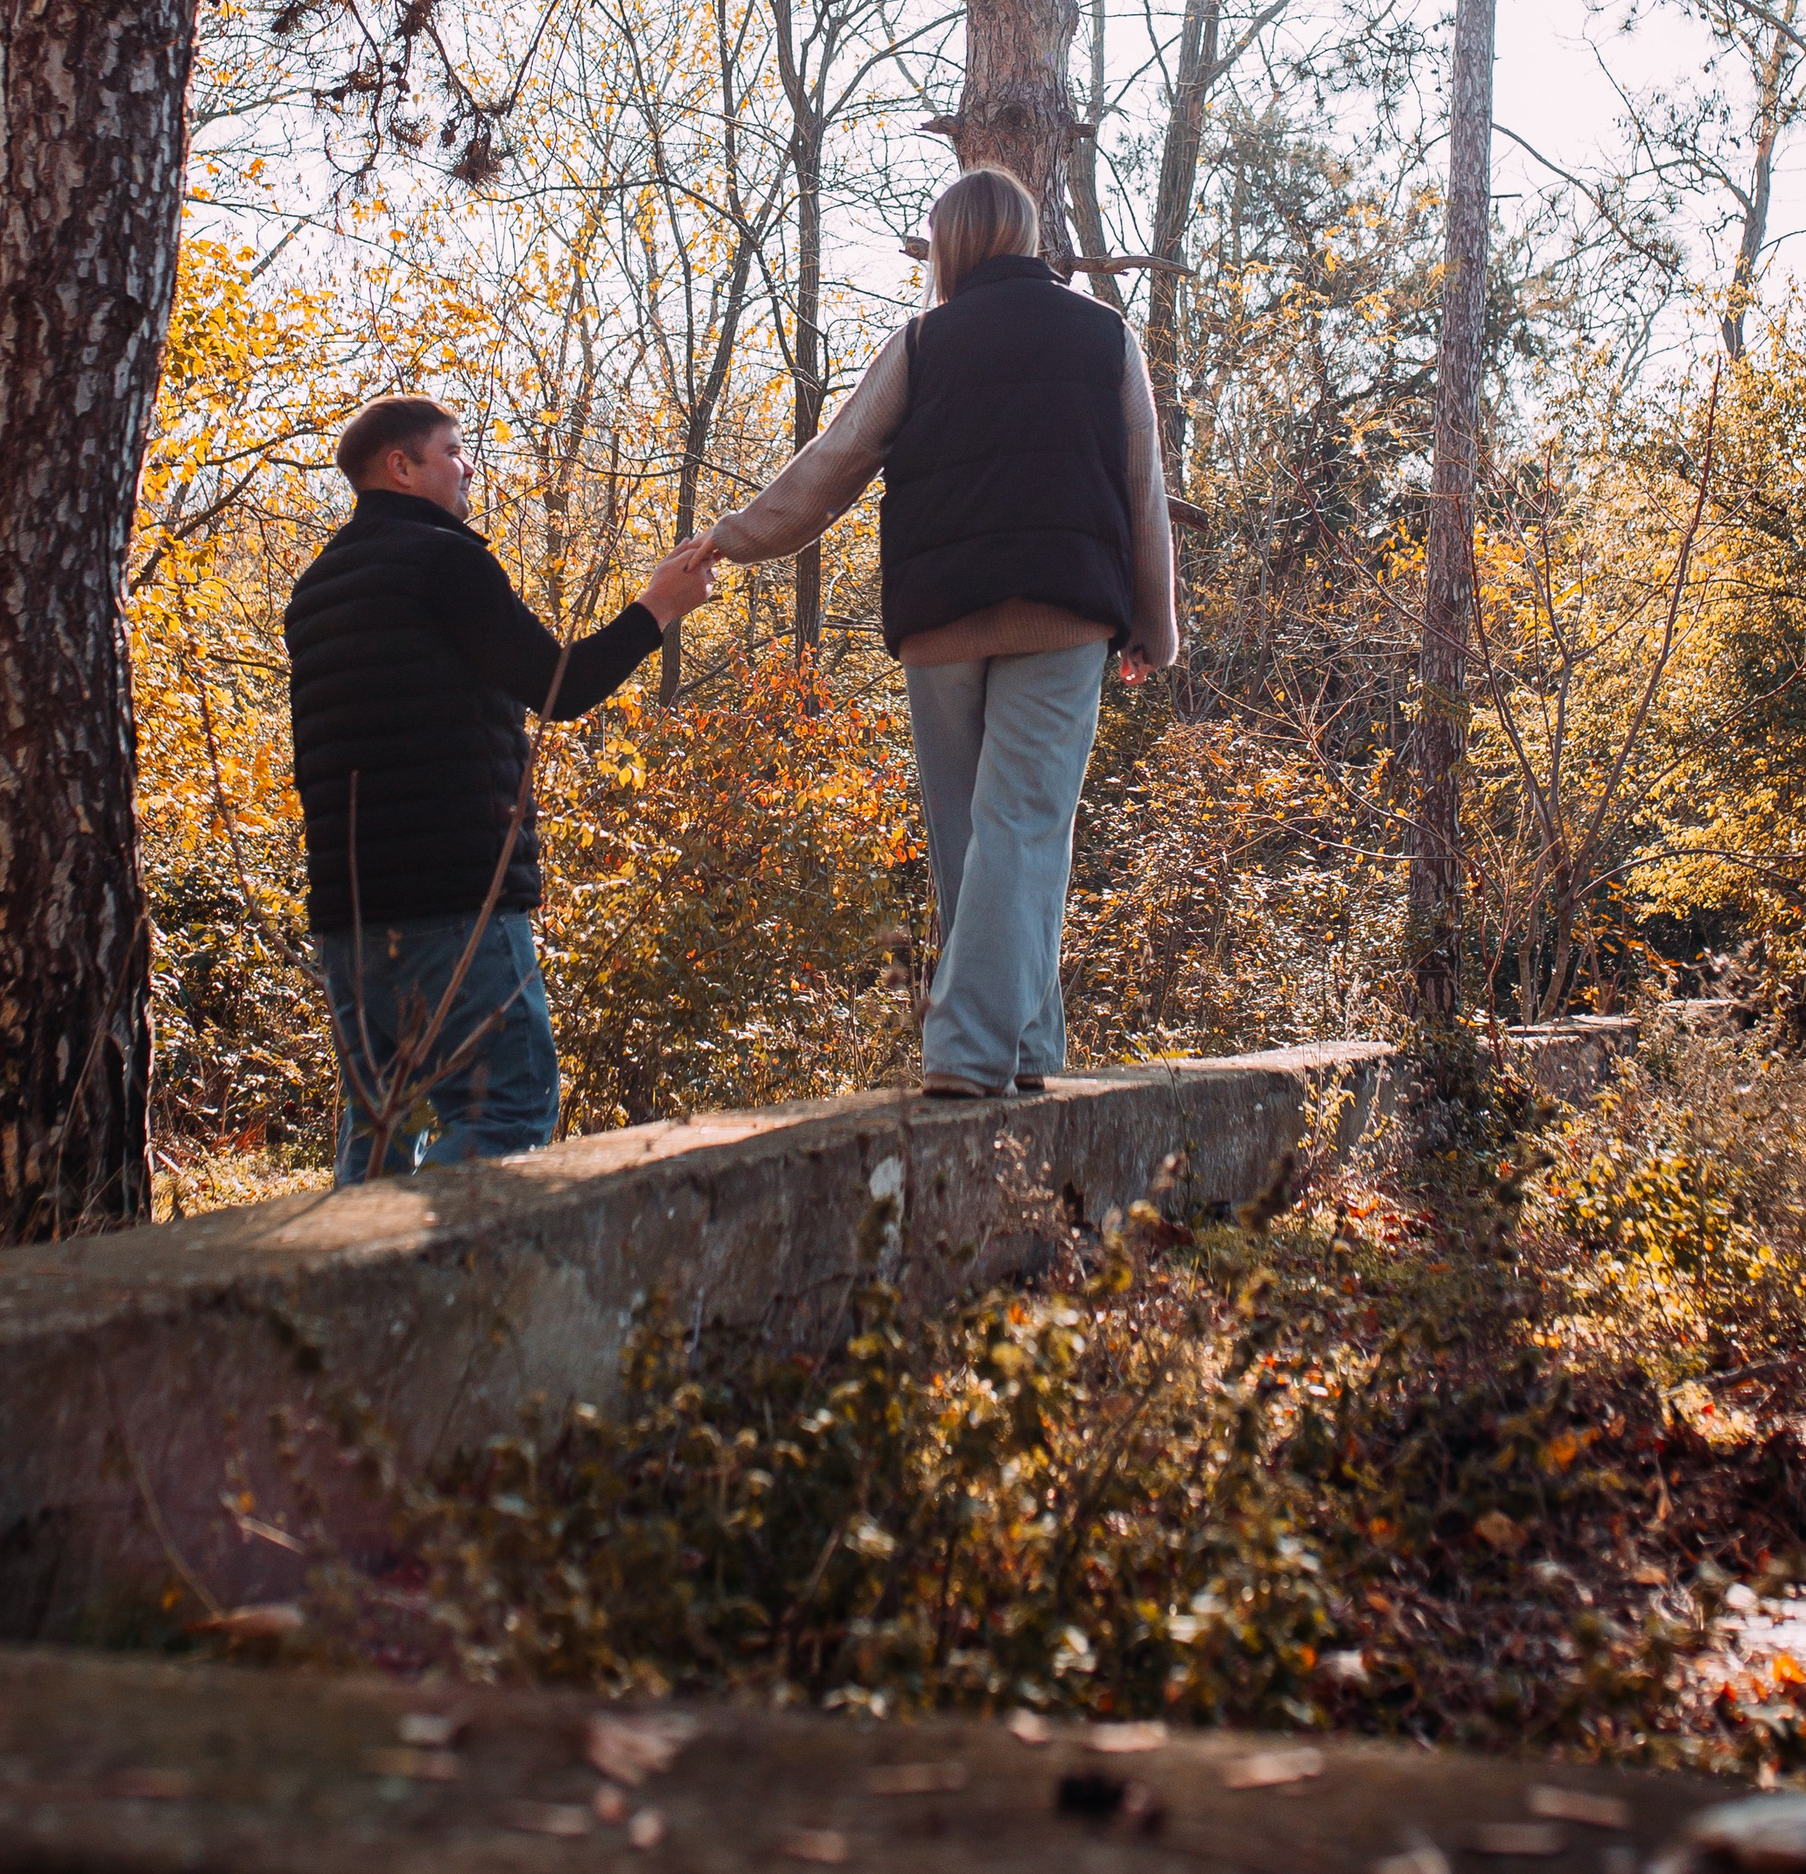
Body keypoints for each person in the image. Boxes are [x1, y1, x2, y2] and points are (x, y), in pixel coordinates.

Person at [699, 166, 1177, 1099]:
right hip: (1062, 608)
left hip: (938, 619)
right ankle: (971, 1052)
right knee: (1023, 830)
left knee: (973, 842)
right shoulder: (1103, 336)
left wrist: (730, 539)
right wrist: (1152, 627)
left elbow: (828, 466)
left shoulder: (922, 342)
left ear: (951, 243)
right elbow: (1142, 489)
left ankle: (1026, 1048)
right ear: (1028, 235)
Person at [284, 394, 714, 1179]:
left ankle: (354, 1296)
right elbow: (561, 686)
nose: (470, 464)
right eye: (453, 450)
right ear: (400, 466)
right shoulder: (443, 561)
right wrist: (659, 606)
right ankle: (453, 1296)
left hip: (349, 917)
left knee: (380, 1129)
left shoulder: (316, 588)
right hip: (449, 904)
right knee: (506, 1108)